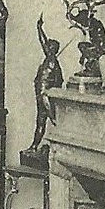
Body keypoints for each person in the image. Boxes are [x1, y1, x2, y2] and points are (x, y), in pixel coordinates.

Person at [28, 15, 64, 156]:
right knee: (40, 123)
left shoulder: (51, 61)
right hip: (41, 95)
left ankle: (36, 146)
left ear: (52, 49)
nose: (46, 46)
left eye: (49, 46)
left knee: (44, 121)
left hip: (44, 96)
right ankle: (34, 146)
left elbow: (57, 83)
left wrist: (39, 28)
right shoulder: (51, 61)